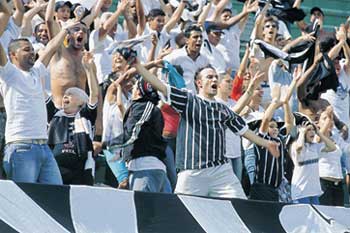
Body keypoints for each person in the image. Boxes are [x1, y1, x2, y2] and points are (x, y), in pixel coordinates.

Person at [131, 56, 280, 199]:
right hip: (192, 172)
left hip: (220, 171)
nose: (214, 79)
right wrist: (138, 66)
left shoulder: (223, 109)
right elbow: (161, 87)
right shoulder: (189, 101)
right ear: (199, 83)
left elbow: (244, 131)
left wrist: (267, 144)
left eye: (216, 77)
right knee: (183, 213)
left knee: (240, 206)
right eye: (209, 77)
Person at [0, 21, 80, 184]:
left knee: (56, 196)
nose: (32, 53)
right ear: (12, 55)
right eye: (26, 50)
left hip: (44, 147)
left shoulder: (36, 71)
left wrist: (65, 30)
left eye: (32, 49)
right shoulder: (9, 73)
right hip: (21, 147)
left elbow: (50, 48)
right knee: (25, 201)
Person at [46, 52, 99, 185]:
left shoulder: (86, 116)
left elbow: (94, 95)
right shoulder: (55, 115)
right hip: (56, 168)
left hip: (80, 170)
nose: (65, 96)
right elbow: (42, 93)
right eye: (64, 94)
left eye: (70, 94)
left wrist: (88, 69)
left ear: (82, 102)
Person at [290, 117, 337, 204]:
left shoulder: (315, 146)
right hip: (301, 192)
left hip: (314, 192)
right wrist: (302, 132)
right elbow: (299, 147)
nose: (312, 132)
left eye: (313, 130)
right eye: (309, 130)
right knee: (303, 217)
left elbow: (332, 147)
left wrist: (319, 133)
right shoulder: (295, 145)